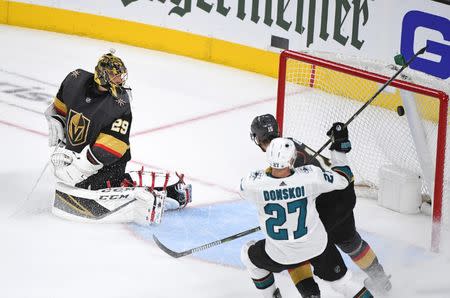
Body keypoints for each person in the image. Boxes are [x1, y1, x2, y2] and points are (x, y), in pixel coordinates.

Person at [249, 114, 391, 294]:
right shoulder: (290, 143)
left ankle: (310, 293)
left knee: (296, 247)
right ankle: (381, 280)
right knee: (350, 241)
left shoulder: (278, 161)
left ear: (257, 139)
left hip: (322, 208)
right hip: (341, 196)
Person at [45, 51, 191, 224]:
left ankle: (173, 193)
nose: (120, 80)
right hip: (80, 154)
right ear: (102, 76)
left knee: (98, 186)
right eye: (115, 76)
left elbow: (111, 147)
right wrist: (54, 117)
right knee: (78, 185)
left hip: (109, 161)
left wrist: (81, 167)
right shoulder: (75, 79)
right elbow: (60, 105)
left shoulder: (119, 103)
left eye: (120, 75)